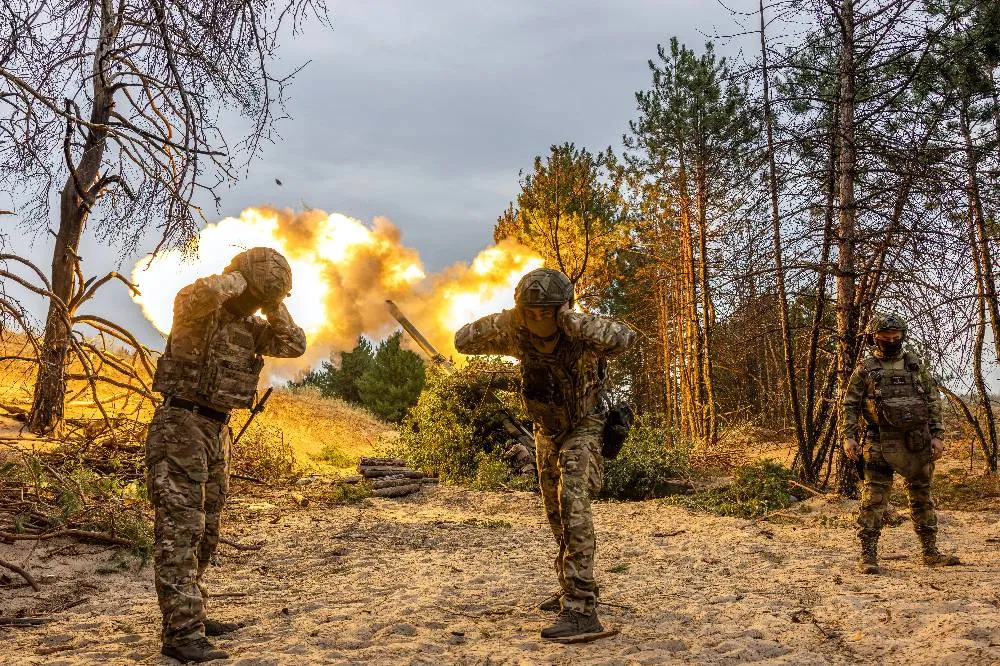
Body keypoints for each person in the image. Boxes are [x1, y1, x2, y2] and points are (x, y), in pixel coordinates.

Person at [454, 267, 635, 640]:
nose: (539, 320)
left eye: (547, 312)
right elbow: (463, 341)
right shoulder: (519, 334)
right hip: (546, 432)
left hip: (585, 426)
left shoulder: (581, 335)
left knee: (573, 505)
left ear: (563, 308)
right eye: (531, 313)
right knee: (556, 514)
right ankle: (571, 586)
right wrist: (511, 317)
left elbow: (624, 338)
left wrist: (570, 318)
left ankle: (583, 610)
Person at [146, 247, 306, 662]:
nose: (252, 302)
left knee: (208, 530)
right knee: (181, 529)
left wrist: (273, 304)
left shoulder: (250, 328)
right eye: (253, 293)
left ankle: (191, 614)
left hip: (217, 431)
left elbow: (294, 343)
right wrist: (238, 277)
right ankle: (182, 633)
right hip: (181, 424)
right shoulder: (196, 309)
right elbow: (199, 296)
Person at [841, 312, 959, 575]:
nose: (891, 341)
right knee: (873, 499)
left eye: (895, 337)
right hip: (879, 439)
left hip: (916, 440)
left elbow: (932, 401)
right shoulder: (866, 370)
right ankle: (868, 555)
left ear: (902, 337)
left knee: (922, 496)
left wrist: (937, 435)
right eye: (885, 338)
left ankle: (930, 551)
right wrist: (849, 437)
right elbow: (850, 405)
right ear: (875, 338)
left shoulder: (915, 366)